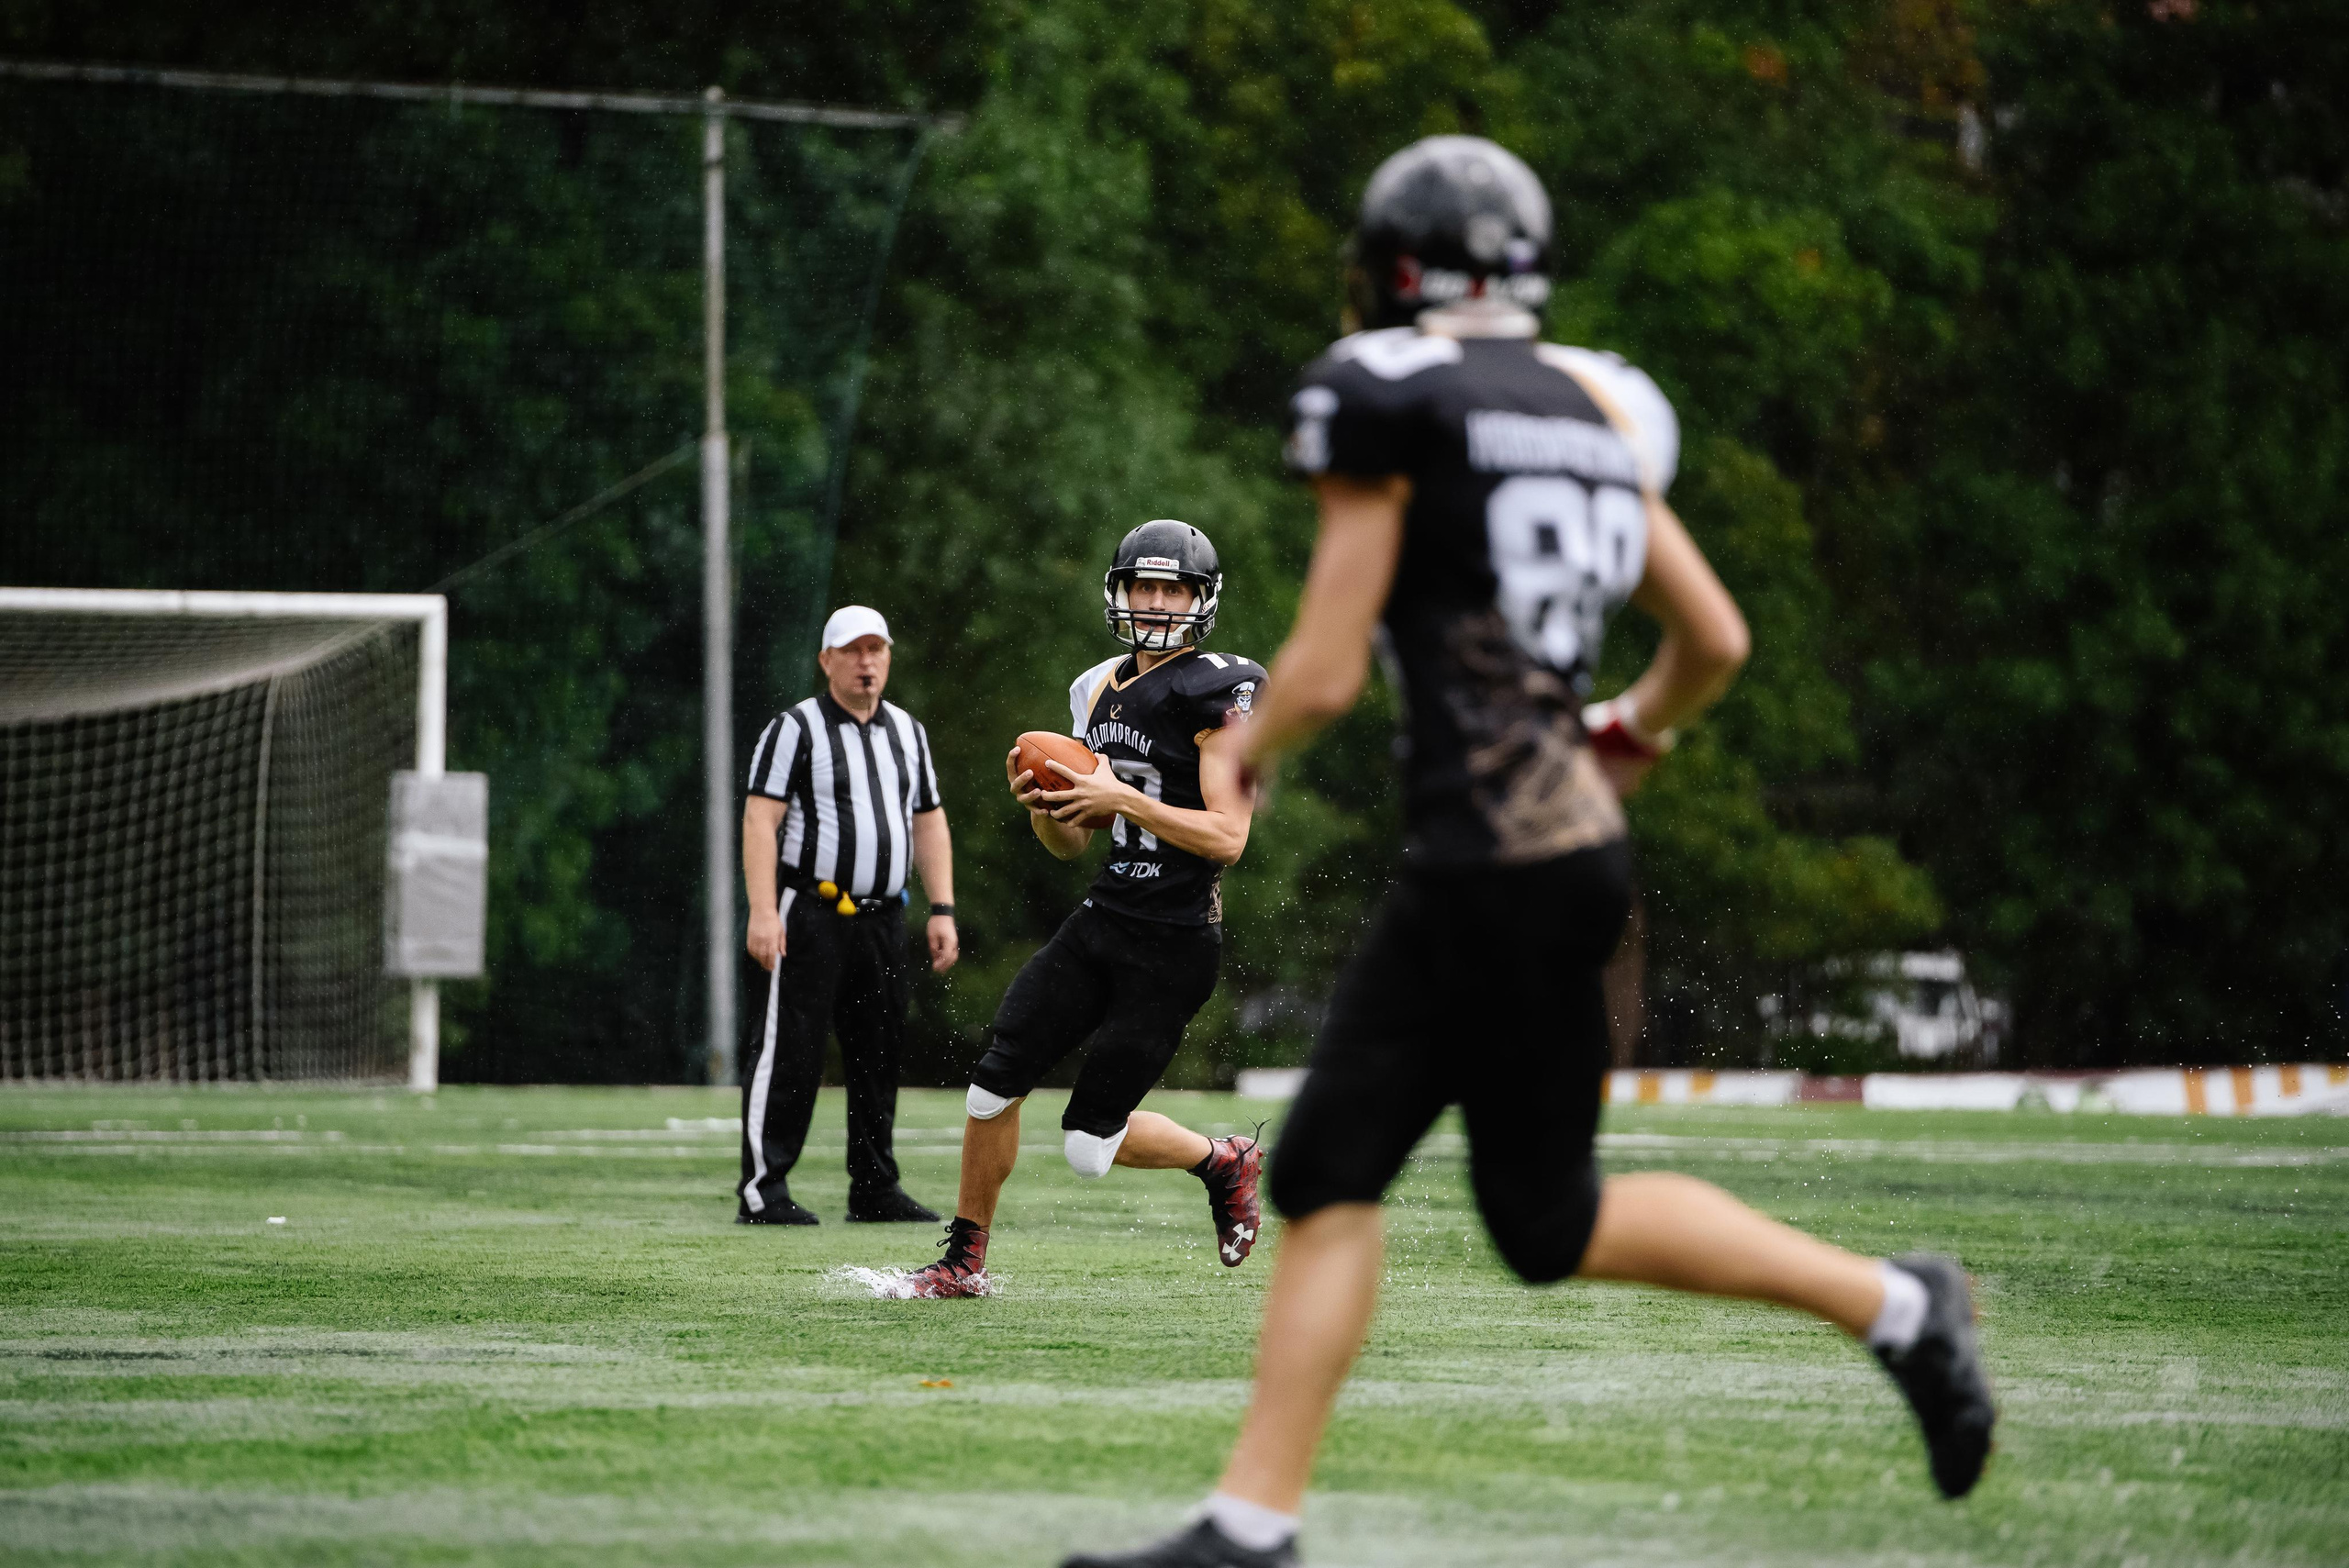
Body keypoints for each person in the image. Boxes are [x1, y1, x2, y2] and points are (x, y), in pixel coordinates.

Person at [1063, 138, 1995, 1568]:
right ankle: (1900, 1304)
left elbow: (1314, 668)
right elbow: (1717, 640)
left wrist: (1231, 758)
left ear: (1391, 269)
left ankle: (1250, 1527)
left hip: (1480, 862)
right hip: (1576, 860)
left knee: (1324, 1174)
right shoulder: (1591, 404)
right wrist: (1624, 730)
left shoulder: (1388, 393)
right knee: (1549, 1215)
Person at [895, 520, 1270, 1299]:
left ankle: (1220, 1158)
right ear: (1120, 592)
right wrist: (1046, 804)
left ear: (1201, 600)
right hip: (1104, 917)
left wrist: (1120, 795)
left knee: (1087, 1148)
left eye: (1173, 588)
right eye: (1144, 585)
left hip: (1174, 942)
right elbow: (1067, 844)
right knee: (994, 1081)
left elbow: (1228, 836)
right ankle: (964, 1260)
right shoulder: (1094, 686)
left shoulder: (1222, 688)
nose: (1156, 602)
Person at [736, 605, 960, 1226]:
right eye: (853, 651)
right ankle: (763, 1187)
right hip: (810, 909)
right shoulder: (796, 729)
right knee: (792, 1050)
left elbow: (928, 820)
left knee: (878, 1052)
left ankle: (874, 1186)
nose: (866, 662)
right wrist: (762, 910)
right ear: (826, 659)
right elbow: (761, 818)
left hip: (884, 917)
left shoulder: (908, 732)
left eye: (876, 650)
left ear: (888, 656)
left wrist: (941, 907)